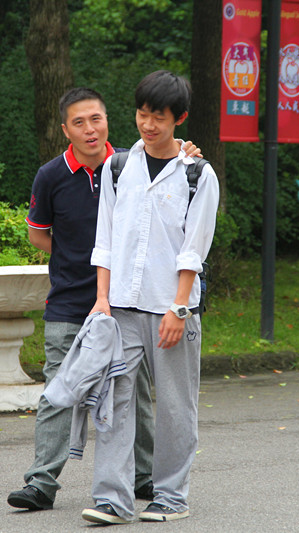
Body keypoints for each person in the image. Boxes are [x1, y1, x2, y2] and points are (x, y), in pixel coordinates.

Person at [8, 87, 201, 511]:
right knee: (61, 386)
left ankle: (143, 477)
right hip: (72, 301)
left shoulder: (131, 164)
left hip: (130, 302)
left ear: (108, 120)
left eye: (96, 119)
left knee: (134, 393)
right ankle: (42, 481)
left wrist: (185, 152)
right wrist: (76, 258)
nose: (90, 129)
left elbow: (180, 203)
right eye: (78, 122)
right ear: (65, 130)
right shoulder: (53, 175)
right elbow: (38, 234)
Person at [79, 70, 219, 525]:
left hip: (171, 309)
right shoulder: (118, 167)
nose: (148, 124)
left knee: (176, 406)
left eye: (158, 117)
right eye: (142, 114)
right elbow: (105, 239)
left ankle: (171, 497)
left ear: (179, 119)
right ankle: (112, 499)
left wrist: (179, 307)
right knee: (113, 402)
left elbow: (194, 248)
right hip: (120, 306)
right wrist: (102, 299)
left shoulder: (197, 174)